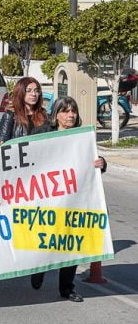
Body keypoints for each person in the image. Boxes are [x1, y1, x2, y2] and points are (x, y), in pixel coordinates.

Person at [30, 96, 106, 302]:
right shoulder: (41, 134)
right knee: (45, 239)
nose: (70, 115)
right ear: (56, 115)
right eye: (65, 111)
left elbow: (94, 162)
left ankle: (67, 288)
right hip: (46, 199)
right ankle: (38, 269)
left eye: (73, 111)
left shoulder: (82, 137)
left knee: (71, 244)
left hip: (73, 199)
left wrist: (101, 163)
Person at [0, 77, 47, 142]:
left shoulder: (43, 114)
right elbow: (1, 143)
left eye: (36, 91)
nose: (34, 94)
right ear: (20, 93)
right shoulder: (10, 116)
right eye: (28, 91)